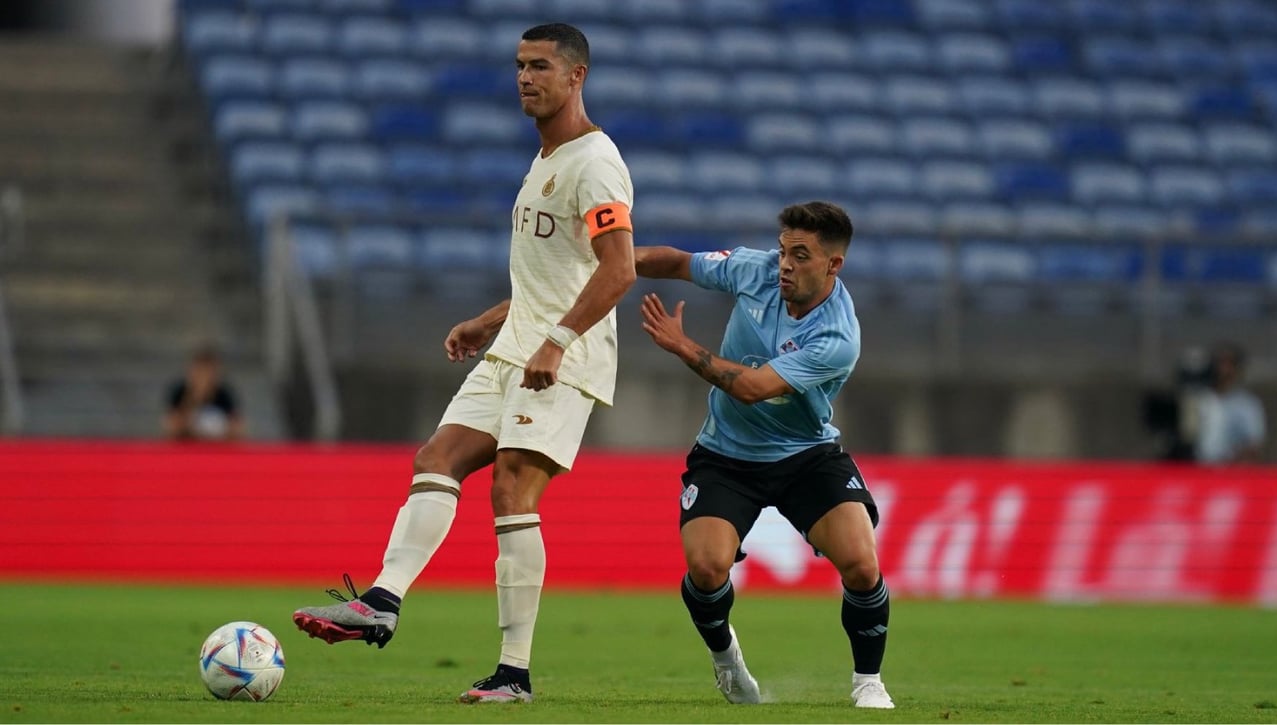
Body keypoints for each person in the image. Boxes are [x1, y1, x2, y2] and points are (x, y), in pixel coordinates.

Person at [291, 23, 636, 705]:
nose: (525, 78)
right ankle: (383, 600)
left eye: (540, 66)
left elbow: (619, 269)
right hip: (518, 345)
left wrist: (558, 341)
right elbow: (554, 277)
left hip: (565, 356)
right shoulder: (544, 160)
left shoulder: (595, 161)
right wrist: (491, 319)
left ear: (577, 77)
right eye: (518, 66)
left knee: (510, 490)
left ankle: (514, 672)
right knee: (436, 457)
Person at [633, 201, 895, 709]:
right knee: (707, 569)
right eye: (783, 252)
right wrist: (616, 260)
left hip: (806, 456)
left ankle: (869, 680)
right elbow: (677, 262)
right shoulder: (754, 270)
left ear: (832, 265)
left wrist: (682, 346)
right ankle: (727, 660)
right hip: (726, 455)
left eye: (800, 256)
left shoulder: (837, 336)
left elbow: (751, 387)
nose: (785, 266)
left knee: (862, 566)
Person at [1190, 341, 1266, 465]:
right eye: (1219, 363)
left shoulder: (1248, 405)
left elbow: (1254, 443)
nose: (1223, 369)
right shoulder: (1199, 399)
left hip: (1230, 472)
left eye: (1229, 363)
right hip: (1197, 470)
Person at [163, 343, 243, 441]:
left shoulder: (224, 394)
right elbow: (171, 428)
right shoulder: (180, 392)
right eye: (200, 370)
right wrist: (194, 398)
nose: (204, 376)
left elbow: (238, 430)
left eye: (208, 371)